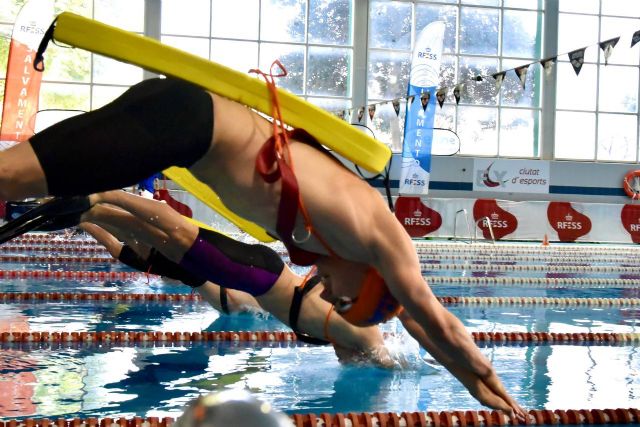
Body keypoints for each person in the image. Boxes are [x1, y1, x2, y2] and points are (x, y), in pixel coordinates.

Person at [0, 76, 525, 417]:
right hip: (183, 124)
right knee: (6, 177)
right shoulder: (379, 237)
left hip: (179, 127)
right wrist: (483, 381)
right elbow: (431, 315)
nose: (327, 294)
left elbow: (414, 321)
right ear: (372, 280)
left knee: (15, 180)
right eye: (343, 300)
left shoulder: (346, 252)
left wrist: (464, 380)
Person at [60, 189, 393, 366]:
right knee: (176, 232)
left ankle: (91, 211)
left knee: (164, 240)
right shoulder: (364, 332)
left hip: (257, 275)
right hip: (258, 274)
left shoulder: (351, 325)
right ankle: (105, 197)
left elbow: (351, 362)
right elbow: (385, 364)